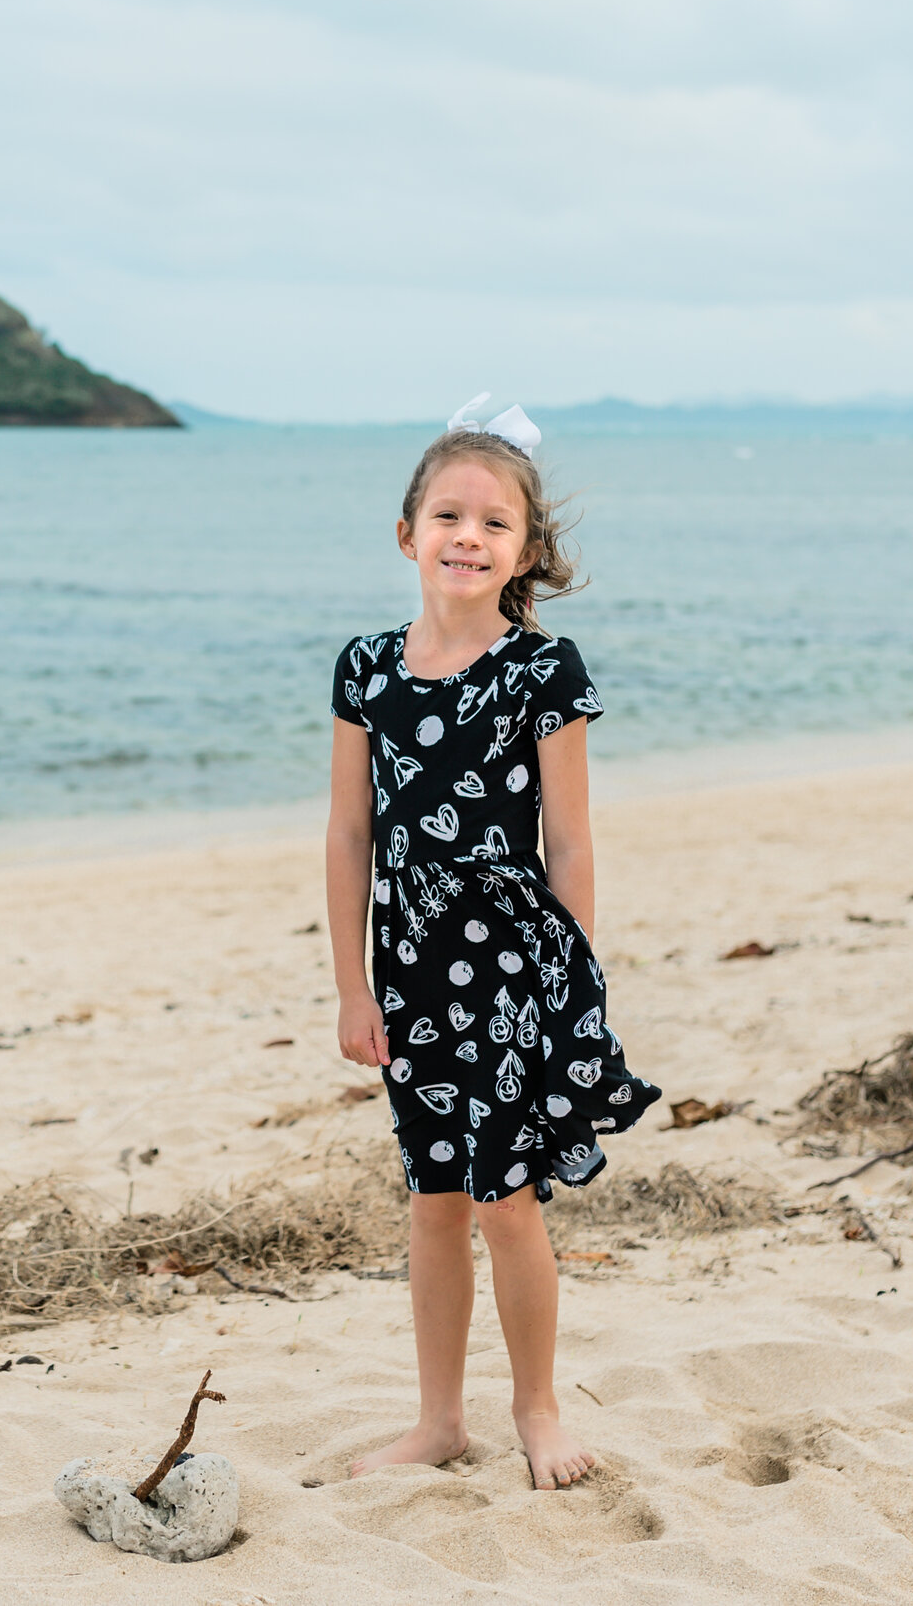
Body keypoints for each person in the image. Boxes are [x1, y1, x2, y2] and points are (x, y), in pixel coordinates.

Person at [326, 395, 660, 1488]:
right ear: (406, 534)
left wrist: (580, 985)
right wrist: (350, 989)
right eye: (446, 515)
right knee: (431, 1194)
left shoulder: (541, 673)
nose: (467, 536)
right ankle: (436, 1420)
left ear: (525, 548)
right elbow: (347, 836)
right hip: (409, 969)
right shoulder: (365, 670)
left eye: (493, 522)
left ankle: (536, 1407)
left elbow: (569, 841)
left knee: (503, 1198)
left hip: (519, 970)